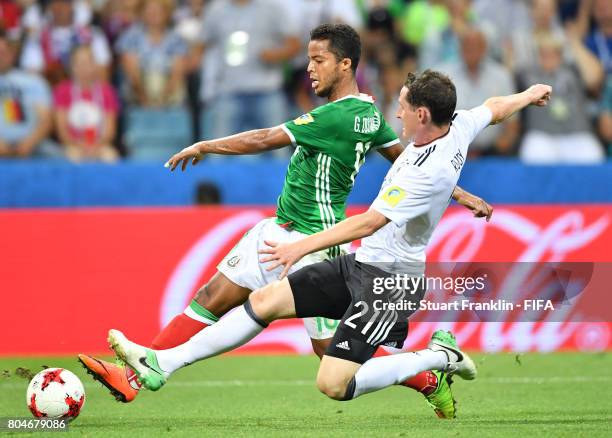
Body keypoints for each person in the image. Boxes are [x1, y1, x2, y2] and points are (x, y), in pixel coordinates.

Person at [79, 24, 491, 417]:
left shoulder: (339, 116)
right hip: (279, 228)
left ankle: (427, 378)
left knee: (329, 350)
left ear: (345, 65)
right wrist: (457, 192)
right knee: (211, 297)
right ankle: (139, 374)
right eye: (309, 59)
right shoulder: (368, 114)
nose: (310, 68)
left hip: (315, 241)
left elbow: (263, 139)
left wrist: (205, 144)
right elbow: (406, 161)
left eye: (319, 60)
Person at [438, 27, 519, 156]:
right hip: (450, 151)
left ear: (485, 48)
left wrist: (496, 150)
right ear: (460, 47)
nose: (471, 51)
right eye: (467, 46)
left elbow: (512, 123)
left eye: (476, 46)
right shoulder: (443, 76)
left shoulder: (501, 76)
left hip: (492, 154)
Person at [20, 0, 111, 86]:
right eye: (55, 2)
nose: (60, 7)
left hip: (87, 92)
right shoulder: (36, 38)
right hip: (51, 93)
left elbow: (103, 72)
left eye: (64, 2)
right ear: (50, 7)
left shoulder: (93, 34)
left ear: (72, 6)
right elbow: (31, 75)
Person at [53, 45, 120, 162]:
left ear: (95, 65)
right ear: (71, 66)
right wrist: (79, 145)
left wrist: (96, 146)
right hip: (72, 146)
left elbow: (110, 130)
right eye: (79, 63)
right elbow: (62, 131)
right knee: (73, 157)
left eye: (88, 63)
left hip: (99, 145)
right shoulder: (63, 91)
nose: (83, 68)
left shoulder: (106, 92)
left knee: (111, 157)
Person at [0, 30, 57, 158]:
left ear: (12, 55)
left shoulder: (34, 82)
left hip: (33, 145)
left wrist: (29, 143)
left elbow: (46, 120)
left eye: (3, 53)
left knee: (61, 159)